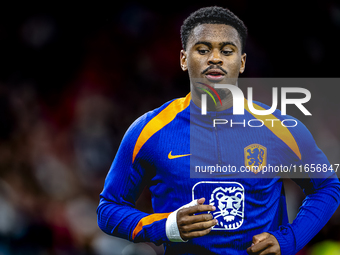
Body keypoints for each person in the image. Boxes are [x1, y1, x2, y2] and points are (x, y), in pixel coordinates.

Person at [97, 6, 340, 255]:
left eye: (227, 51)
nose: (215, 58)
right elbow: (108, 209)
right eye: (203, 50)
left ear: (242, 62)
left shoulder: (280, 128)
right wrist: (167, 226)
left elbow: (327, 187)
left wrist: (289, 239)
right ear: (183, 59)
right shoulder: (149, 131)